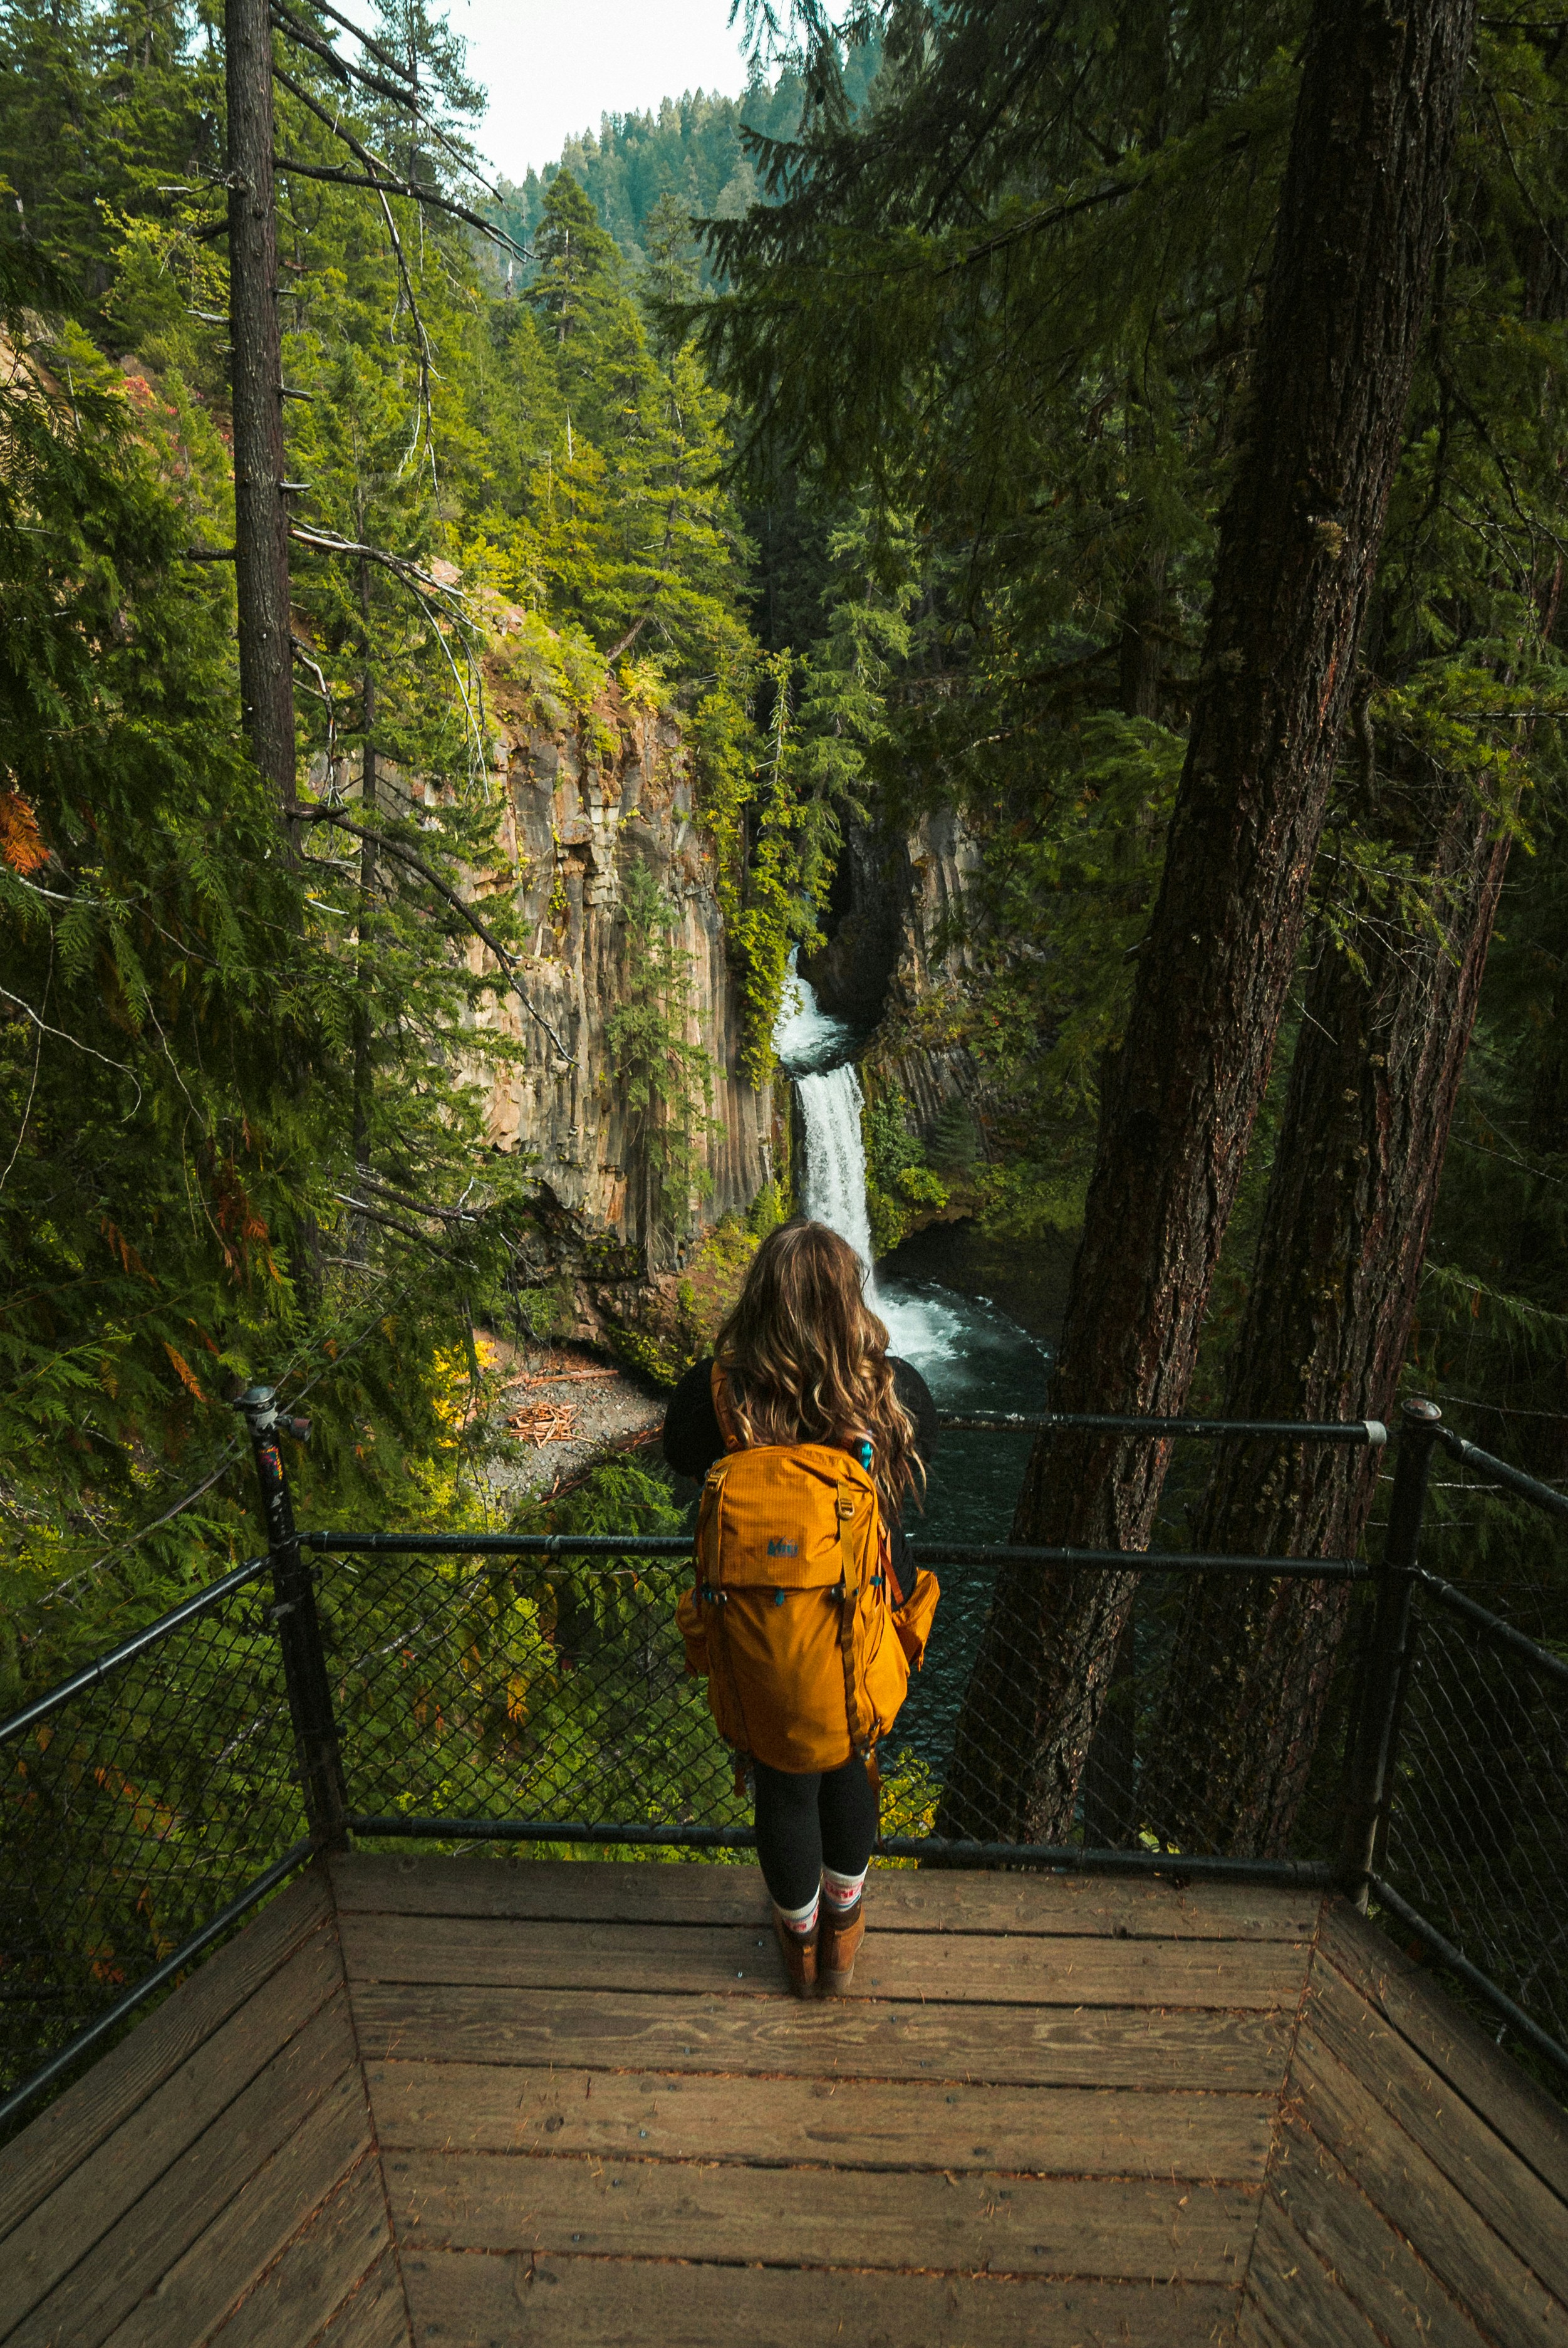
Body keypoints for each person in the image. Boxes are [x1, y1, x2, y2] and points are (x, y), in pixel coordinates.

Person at [663, 1218, 938, 1996]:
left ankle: (799, 1946)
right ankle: (844, 1941)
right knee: (850, 1760)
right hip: (860, 1609)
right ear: (851, 1303)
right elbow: (927, 1458)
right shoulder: (890, 1388)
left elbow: (680, 1456)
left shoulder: (712, 1394)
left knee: (781, 1780)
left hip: (756, 1613)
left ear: (759, 1299)